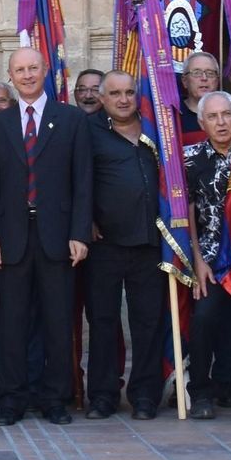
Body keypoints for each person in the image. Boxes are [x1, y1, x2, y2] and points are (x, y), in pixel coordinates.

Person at [0, 47, 92, 427]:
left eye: (33, 68)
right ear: (10, 76)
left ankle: (54, 397)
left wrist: (79, 234)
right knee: (12, 322)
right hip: (11, 237)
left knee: (57, 321)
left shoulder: (72, 120)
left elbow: (83, 183)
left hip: (58, 236)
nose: (27, 75)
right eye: (19, 70)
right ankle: (12, 398)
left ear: (46, 71)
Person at [84, 70, 166, 421]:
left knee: (148, 323)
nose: (123, 99)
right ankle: (103, 395)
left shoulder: (156, 130)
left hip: (149, 242)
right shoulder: (88, 132)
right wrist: (84, 219)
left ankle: (145, 396)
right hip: (105, 245)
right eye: (114, 93)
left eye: (129, 92)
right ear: (102, 99)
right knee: (103, 322)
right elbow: (75, 178)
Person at [184, 90, 231, 420]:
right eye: (213, 117)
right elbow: (187, 210)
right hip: (210, 255)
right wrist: (198, 260)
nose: (221, 122)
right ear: (202, 122)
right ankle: (201, 390)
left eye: (226, 115)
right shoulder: (190, 158)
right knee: (205, 317)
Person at [178, 52, 220, 145]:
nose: (204, 78)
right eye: (197, 73)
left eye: (210, 73)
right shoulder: (172, 116)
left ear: (217, 80)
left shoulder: (229, 113)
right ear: (185, 81)